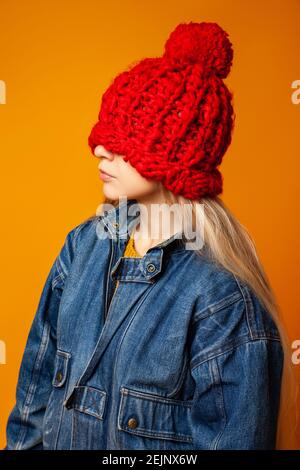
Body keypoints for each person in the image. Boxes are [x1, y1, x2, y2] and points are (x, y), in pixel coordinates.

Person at [4, 21, 297, 450]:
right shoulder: (81, 248)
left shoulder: (222, 301)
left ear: (172, 159)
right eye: (105, 135)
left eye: (123, 142)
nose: (100, 149)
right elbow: (36, 392)